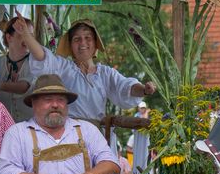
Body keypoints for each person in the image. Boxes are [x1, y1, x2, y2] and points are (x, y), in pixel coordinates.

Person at [18, 16, 156, 123]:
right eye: (77, 39)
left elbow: (125, 87)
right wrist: (25, 34)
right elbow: (42, 57)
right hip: (68, 135)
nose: (83, 43)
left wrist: (144, 89)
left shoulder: (105, 73)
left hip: (97, 136)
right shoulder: (64, 67)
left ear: (95, 42)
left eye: (87, 38)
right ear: (70, 45)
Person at [0, 15, 35, 123]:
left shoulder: (36, 63)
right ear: (9, 38)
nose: (28, 38)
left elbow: (24, 87)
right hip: (3, 129)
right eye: (23, 33)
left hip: (31, 130)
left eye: (30, 35)